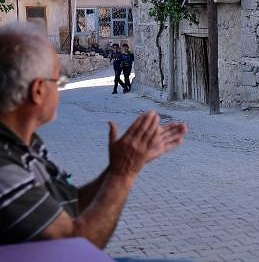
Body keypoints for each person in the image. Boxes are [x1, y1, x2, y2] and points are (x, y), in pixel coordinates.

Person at [0, 21, 187, 248]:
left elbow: (68, 205)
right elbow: (74, 243)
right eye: (58, 81)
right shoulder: (5, 166)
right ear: (38, 91)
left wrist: (115, 167)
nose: (60, 88)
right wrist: (122, 174)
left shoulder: (25, 142)